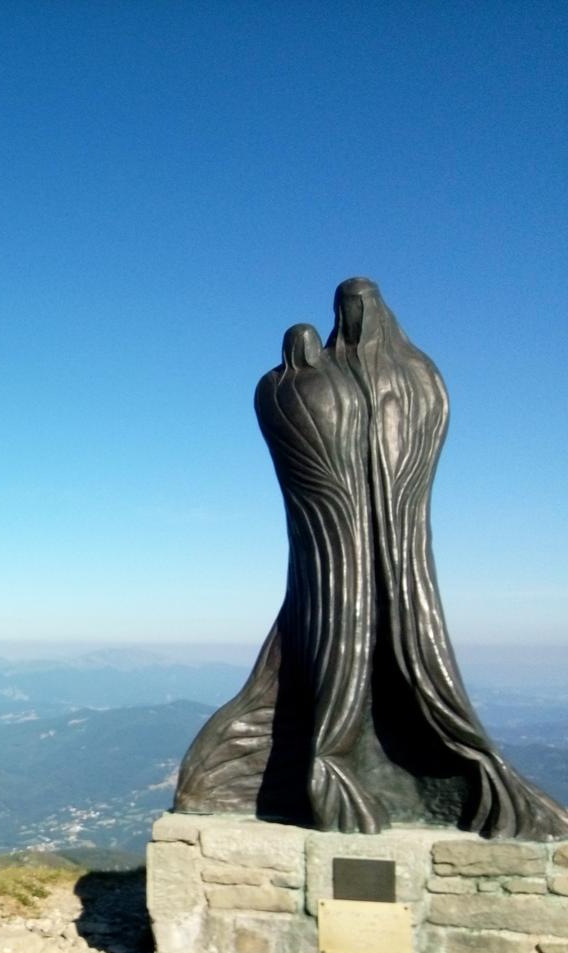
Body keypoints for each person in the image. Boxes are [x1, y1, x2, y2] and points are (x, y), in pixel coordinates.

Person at [175, 279, 567, 839]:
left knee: (408, 638)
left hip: (399, 543)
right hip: (333, 544)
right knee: (334, 637)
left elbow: (421, 437)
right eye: (347, 307)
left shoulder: (416, 372)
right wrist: (305, 393)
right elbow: (303, 452)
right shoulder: (304, 379)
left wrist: (381, 484)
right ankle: (327, 761)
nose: (353, 317)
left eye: (361, 306)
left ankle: (441, 767)